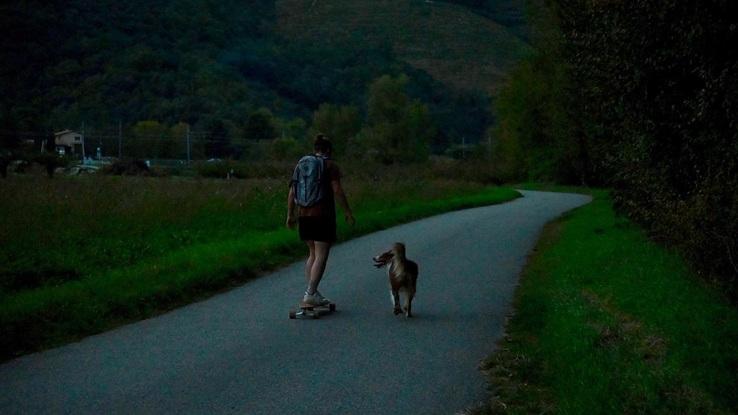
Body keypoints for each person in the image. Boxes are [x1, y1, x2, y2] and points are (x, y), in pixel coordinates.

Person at [287, 134, 355, 306]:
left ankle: (312, 291)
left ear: (315, 149)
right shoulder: (330, 165)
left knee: (312, 254)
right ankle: (310, 293)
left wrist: (290, 214)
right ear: (328, 150)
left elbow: (292, 191)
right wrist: (347, 211)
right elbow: (337, 190)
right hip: (322, 215)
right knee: (321, 255)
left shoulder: (302, 164)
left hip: (304, 214)